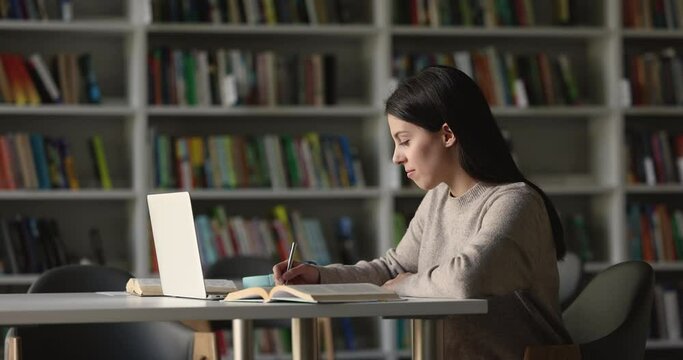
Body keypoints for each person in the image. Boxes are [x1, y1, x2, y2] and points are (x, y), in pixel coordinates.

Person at [273, 65, 571, 359]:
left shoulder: (516, 201)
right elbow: (392, 270)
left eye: (405, 141)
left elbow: (466, 280)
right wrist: (320, 277)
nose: (396, 157)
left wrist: (405, 284)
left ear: (447, 134)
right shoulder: (437, 198)